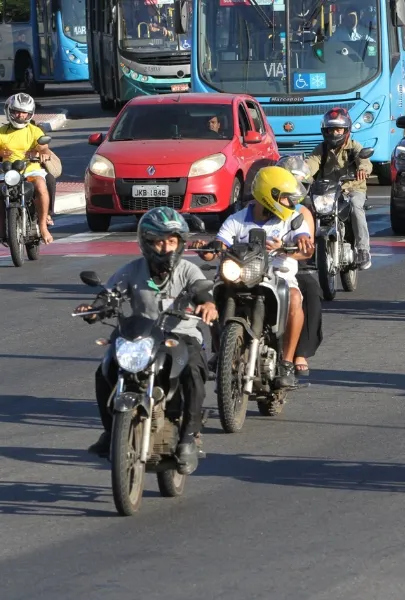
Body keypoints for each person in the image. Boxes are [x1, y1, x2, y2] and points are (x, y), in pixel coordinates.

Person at [79, 208, 218, 474]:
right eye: (158, 241)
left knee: (193, 373)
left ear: (180, 242)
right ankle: (111, 431)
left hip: (182, 335)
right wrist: (95, 309)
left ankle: (189, 439)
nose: (165, 247)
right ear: (146, 242)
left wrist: (208, 304)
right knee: (105, 369)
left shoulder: (188, 270)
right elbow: (110, 294)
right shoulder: (131, 270)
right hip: (139, 335)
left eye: (172, 241)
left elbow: (202, 291)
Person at [191, 167, 315, 388]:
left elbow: (306, 248)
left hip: (279, 276)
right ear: (269, 195)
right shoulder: (236, 220)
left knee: (295, 298)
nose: (289, 203)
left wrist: (295, 245)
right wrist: (205, 248)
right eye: (285, 198)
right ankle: (220, 350)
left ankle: (286, 362)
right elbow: (217, 248)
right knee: (213, 295)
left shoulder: (293, 219)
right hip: (239, 276)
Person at [305, 107, 373, 269]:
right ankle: (310, 248)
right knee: (307, 209)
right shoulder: (320, 149)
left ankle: (363, 250)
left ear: (346, 129)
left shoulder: (354, 147)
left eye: (338, 129)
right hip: (327, 191)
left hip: (352, 188)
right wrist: (301, 174)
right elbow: (311, 164)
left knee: (356, 208)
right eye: (331, 129)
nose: (335, 133)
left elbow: (364, 161)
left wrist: (363, 170)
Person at [278, 155, 323, 376]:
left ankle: (299, 353)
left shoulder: (302, 213)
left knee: (310, 291)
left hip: (291, 265)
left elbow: (306, 251)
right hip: (254, 266)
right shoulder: (254, 209)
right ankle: (221, 350)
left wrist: (282, 251)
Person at [0, 94, 54, 244]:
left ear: (30, 114)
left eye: (24, 113)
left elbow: (44, 147)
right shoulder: (2, 131)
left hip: (31, 170)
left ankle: (43, 226)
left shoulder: (34, 130)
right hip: (8, 172)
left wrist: (43, 153)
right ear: (9, 111)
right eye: (16, 111)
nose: (20, 115)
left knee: (41, 186)